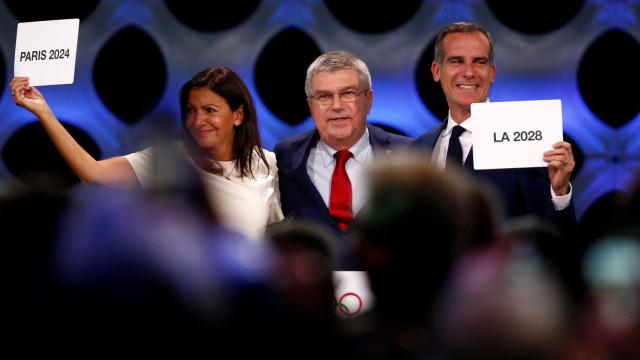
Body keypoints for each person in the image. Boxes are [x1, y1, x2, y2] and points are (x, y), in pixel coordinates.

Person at [10, 67, 283, 239]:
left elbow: (276, 240)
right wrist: (44, 112)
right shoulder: (172, 161)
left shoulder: (266, 164)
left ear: (237, 115)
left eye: (210, 110)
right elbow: (93, 173)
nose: (197, 120)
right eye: (190, 110)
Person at [412, 22, 576, 231]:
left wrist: (560, 192)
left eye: (479, 62)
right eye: (456, 61)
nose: (469, 72)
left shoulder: (528, 140)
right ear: (436, 71)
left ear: (492, 73)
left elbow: (549, 238)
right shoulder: (418, 149)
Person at [274, 50, 411, 250]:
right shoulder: (284, 156)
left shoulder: (409, 154)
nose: (336, 105)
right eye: (324, 96)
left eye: (348, 93)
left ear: (368, 100)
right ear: (311, 106)